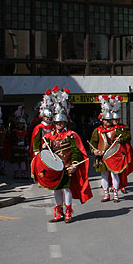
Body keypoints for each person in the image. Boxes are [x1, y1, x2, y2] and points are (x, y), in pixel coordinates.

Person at [33, 86, 92, 223]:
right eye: (57, 123)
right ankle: (58, 212)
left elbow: (77, 151)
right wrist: (42, 149)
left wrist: (75, 164)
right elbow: (45, 154)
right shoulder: (48, 137)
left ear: (65, 122)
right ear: (54, 123)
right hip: (55, 168)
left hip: (67, 167)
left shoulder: (71, 135)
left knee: (66, 189)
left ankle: (68, 212)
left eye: (61, 123)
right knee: (56, 190)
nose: (59, 125)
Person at [89, 95, 129, 203]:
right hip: (101, 156)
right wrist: (94, 150)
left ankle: (115, 194)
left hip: (113, 155)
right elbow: (93, 143)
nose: (108, 122)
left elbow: (126, 137)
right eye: (106, 120)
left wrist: (121, 140)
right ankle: (106, 194)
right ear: (102, 120)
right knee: (104, 175)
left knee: (114, 174)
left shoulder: (117, 129)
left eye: (109, 120)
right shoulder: (97, 131)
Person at [6, 111, 30, 180]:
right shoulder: (14, 132)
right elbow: (11, 140)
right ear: (17, 124)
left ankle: (23, 173)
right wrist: (17, 143)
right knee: (16, 162)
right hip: (16, 148)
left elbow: (26, 140)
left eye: (22, 124)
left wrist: (27, 145)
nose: (21, 125)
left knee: (23, 162)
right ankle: (16, 173)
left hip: (23, 149)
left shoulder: (25, 132)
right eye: (19, 124)